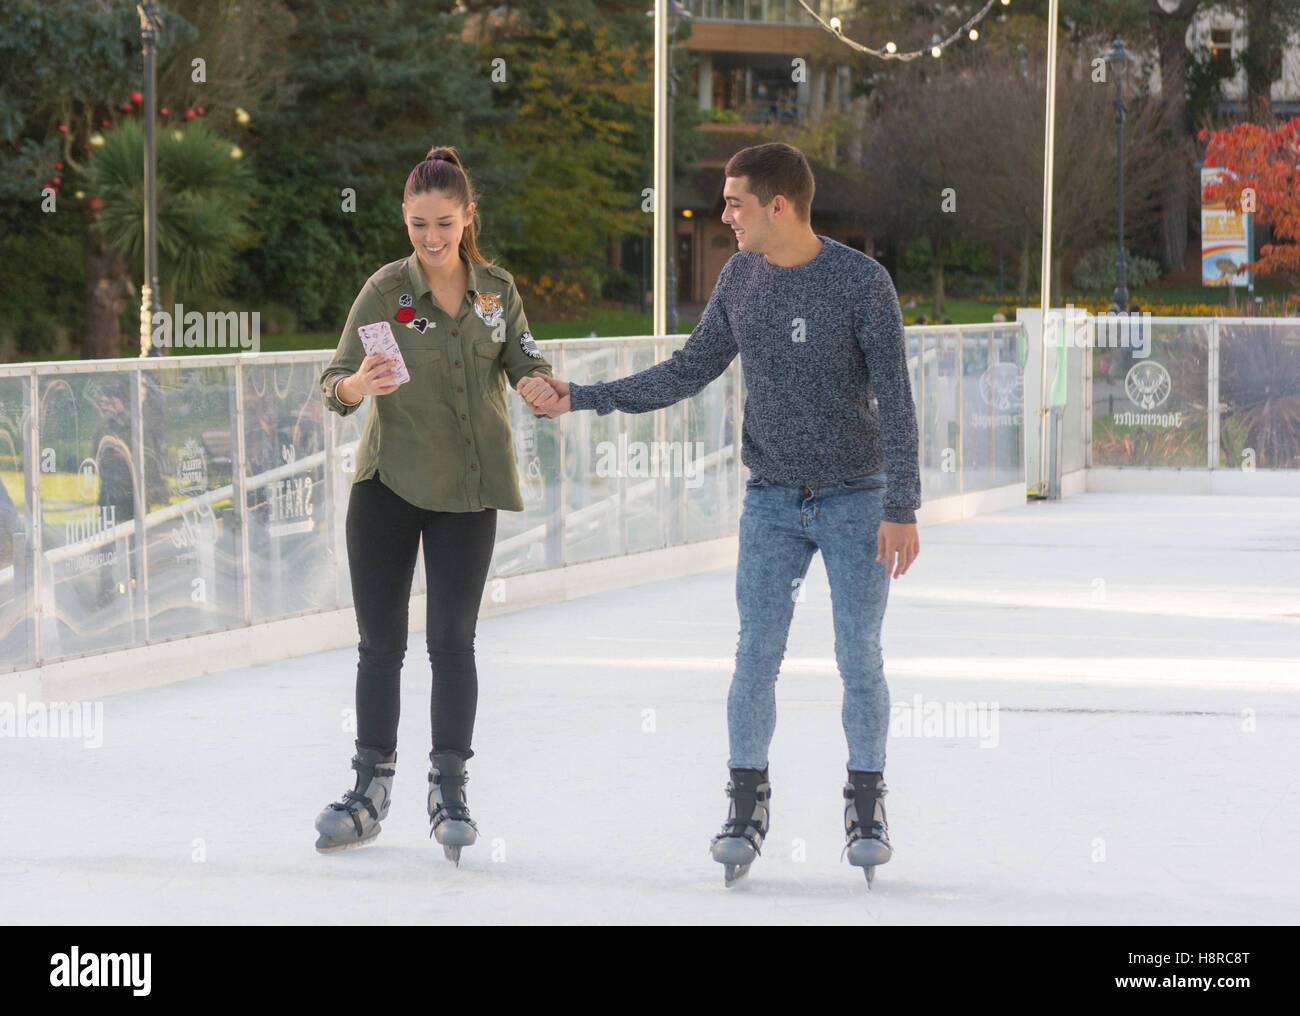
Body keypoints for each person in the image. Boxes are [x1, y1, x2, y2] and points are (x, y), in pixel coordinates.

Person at [520, 143, 921, 885]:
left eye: (735, 202)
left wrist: (902, 504)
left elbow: (896, 400)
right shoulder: (740, 279)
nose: (724, 215)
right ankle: (746, 802)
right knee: (754, 656)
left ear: (779, 206)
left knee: (858, 656)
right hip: (770, 498)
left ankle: (867, 803)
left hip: (856, 499)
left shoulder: (863, 283)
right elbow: (687, 370)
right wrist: (583, 395)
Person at [315, 144, 553, 862]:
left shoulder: (496, 291)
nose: (430, 237)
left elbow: (525, 360)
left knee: (452, 642)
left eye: (444, 223)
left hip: (467, 493)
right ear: (405, 219)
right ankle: (370, 786)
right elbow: (332, 380)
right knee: (380, 646)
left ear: (468, 217)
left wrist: (542, 385)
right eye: (418, 224)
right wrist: (357, 386)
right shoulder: (387, 291)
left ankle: (449, 786)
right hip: (387, 488)